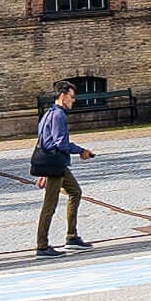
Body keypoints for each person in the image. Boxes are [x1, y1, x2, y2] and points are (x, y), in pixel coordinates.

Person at [29, 92, 96, 254]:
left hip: (54, 163)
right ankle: (42, 246)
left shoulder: (48, 113)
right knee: (49, 205)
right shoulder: (58, 115)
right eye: (72, 96)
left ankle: (72, 237)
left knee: (75, 192)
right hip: (55, 164)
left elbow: (45, 140)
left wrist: (43, 172)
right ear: (63, 95)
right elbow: (60, 143)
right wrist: (81, 151)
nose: (74, 100)